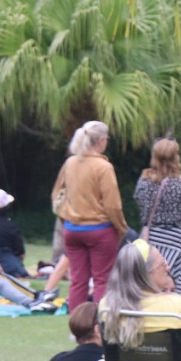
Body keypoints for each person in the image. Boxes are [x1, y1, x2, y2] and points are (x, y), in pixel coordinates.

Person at [51, 120, 127, 310]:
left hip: (72, 230)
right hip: (100, 230)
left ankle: (77, 328)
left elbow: (57, 196)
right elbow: (112, 205)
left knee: (78, 280)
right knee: (102, 280)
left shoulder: (70, 163)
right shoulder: (103, 167)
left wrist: (65, 220)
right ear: (101, 140)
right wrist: (120, 228)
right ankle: (98, 326)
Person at [133, 137, 181, 296]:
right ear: (176, 157)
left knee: (149, 279)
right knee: (178, 282)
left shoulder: (144, 180)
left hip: (152, 239)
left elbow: (139, 201)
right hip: (176, 239)